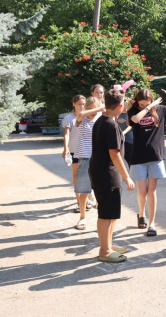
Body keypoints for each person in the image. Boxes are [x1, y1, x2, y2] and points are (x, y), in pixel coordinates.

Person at [128, 89, 166, 236]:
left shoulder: (160, 110)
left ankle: (151, 224)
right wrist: (149, 107)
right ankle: (141, 213)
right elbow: (135, 120)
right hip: (138, 157)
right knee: (142, 192)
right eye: (141, 104)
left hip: (155, 156)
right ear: (137, 102)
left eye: (147, 103)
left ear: (151, 100)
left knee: (152, 191)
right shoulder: (133, 111)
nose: (144, 106)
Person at [89, 89, 136, 263]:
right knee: (106, 214)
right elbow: (115, 155)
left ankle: (108, 244)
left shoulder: (102, 121)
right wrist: (127, 177)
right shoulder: (110, 125)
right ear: (120, 106)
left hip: (103, 172)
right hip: (107, 174)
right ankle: (105, 251)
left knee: (112, 213)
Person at [74, 97, 104, 230]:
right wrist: (100, 108)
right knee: (84, 191)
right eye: (90, 109)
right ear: (86, 108)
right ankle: (82, 217)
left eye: (95, 109)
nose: (93, 112)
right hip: (85, 159)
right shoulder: (82, 120)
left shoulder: (100, 120)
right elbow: (81, 114)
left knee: (101, 191)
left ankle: (102, 220)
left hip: (99, 159)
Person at [62, 95, 86, 214]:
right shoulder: (69, 118)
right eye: (79, 104)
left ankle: (87, 199)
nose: (81, 106)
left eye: (83, 104)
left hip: (87, 151)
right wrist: (66, 148)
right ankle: (79, 202)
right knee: (76, 176)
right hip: (74, 150)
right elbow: (66, 134)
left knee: (88, 175)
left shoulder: (88, 116)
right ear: (74, 104)